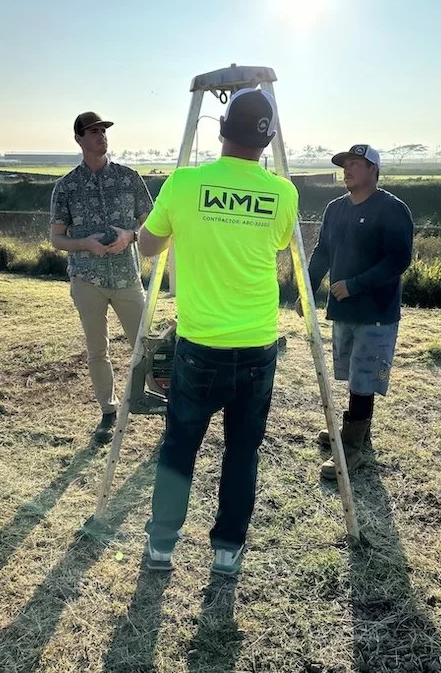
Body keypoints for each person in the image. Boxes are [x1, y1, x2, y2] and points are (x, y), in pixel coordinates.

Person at [138, 88, 298, 575]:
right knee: (242, 451)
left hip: (200, 344)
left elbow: (147, 246)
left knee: (180, 445)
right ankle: (228, 550)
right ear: (268, 139)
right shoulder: (283, 193)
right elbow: (275, 246)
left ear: (220, 129)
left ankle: (162, 546)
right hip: (256, 344)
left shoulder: (184, 183)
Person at [297, 144, 413, 479]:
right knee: (350, 374)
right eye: (345, 164)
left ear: (373, 170)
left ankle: (352, 448)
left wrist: (355, 284)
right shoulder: (335, 209)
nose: (347, 169)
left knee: (364, 378)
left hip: (375, 310)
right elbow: (322, 252)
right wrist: (308, 289)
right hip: (343, 310)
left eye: (356, 164)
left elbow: (398, 260)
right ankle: (357, 433)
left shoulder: (392, 209)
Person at [50, 111, 153, 443]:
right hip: (87, 280)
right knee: (98, 349)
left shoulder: (129, 178)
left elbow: (151, 226)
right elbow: (57, 238)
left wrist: (130, 236)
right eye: (92, 131)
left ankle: (164, 405)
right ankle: (108, 413)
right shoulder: (65, 187)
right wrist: (86, 245)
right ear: (79, 138)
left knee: (146, 346)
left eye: (103, 130)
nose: (100, 136)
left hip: (127, 278)